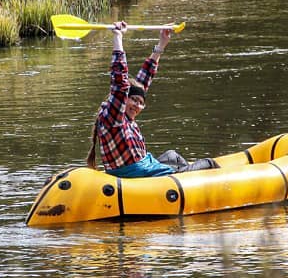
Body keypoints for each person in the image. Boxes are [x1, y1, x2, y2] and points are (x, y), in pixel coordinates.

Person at [85, 21, 217, 177]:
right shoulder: (114, 116)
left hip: (143, 165)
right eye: (133, 100)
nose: (137, 105)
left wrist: (161, 44)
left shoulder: (123, 114)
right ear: (123, 99)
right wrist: (118, 38)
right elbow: (119, 81)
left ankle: (184, 182)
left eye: (141, 103)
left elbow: (143, 80)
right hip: (135, 173)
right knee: (209, 164)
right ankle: (185, 177)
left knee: (171, 155)